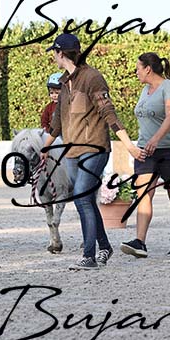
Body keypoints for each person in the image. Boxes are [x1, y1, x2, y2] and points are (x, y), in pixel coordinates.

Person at [42, 33, 145, 271]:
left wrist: (128, 145)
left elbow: (109, 112)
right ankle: (104, 247)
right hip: (71, 151)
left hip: (94, 148)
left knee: (81, 196)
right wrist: (45, 147)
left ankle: (89, 255)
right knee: (85, 200)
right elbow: (57, 121)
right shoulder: (64, 83)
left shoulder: (93, 78)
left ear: (61, 53)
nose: (53, 57)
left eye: (54, 53)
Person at [120, 52, 170, 258]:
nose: (136, 72)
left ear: (148, 69)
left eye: (138, 68)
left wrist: (156, 139)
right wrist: (146, 142)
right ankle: (140, 241)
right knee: (143, 194)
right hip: (146, 151)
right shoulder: (144, 90)